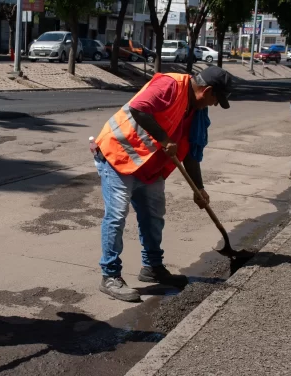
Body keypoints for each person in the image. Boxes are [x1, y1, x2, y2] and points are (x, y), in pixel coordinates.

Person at [93, 66, 234, 302]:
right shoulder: (170, 85)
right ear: (207, 90)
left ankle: (152, 268)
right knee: (116, 216)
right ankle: (110, 276)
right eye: (215, 99)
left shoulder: (197, 112)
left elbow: (190, 152)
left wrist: (198, 188)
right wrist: (164, 139)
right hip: (119, 156)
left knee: (154, 217)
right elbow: (139, 108)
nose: (213, 105)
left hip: (150, 165)